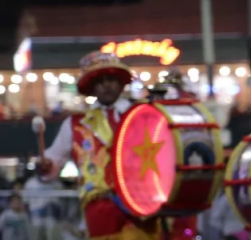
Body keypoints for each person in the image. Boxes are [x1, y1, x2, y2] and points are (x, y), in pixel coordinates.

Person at [39, 52, 161, 239]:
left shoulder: (143, 115)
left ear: (121, 83)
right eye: (100, 80)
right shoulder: (75, 123)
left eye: (111, 79)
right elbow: (53, 163)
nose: (106, 85)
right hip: (100, 206)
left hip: (142, 201)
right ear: (91, 87)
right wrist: (45, 166)